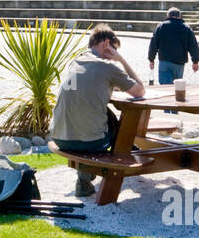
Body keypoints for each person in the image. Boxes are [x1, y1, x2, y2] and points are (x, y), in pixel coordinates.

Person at [51, 24, 145, 196]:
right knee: (112, 122)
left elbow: (87, 91)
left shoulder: (75, 61)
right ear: (106, 44)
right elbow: (140, 90)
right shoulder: (107, 67)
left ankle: (127, 150)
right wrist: (121, 60)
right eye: (113, 49)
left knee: (101, 114)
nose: (112, 56)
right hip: (89, 143)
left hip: (60, 137)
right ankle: (123, 155)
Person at [146, 8, 199, 86]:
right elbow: (193, 46)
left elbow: (153, 44)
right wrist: (195, 61)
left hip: (165, 61)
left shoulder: (161, 26)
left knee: (165, 87)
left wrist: (151, 59)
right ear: (179, 16)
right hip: (179, 63)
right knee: (177, 86)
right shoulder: (186, 28)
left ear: (168, 16)